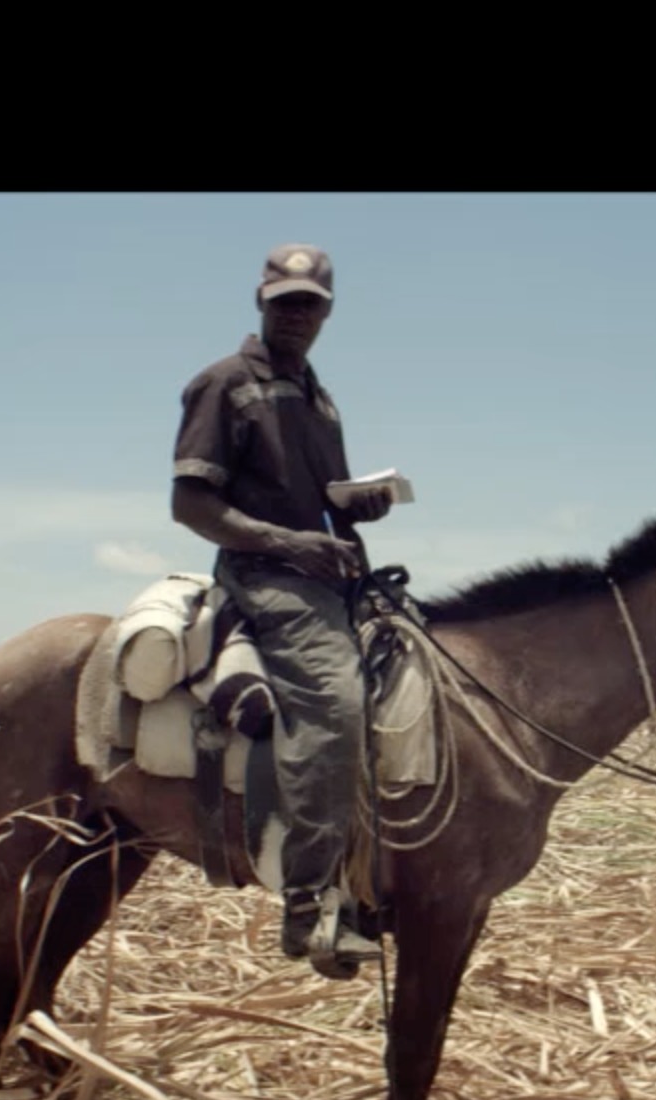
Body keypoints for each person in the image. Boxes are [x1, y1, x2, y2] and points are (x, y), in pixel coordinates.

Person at [169, 243, 399, 976]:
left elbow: (324, 504)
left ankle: (378, 875)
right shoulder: (225, 384)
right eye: (285, 302)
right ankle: (309, 904)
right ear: (261, 302)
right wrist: (290, 544)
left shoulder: (319, 398)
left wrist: (361, 507)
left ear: (327, 311)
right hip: (266, 575)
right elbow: (190, 504)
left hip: (327, 573)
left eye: (310, 304)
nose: (297, 314)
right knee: (336, 702)